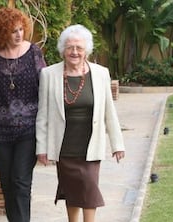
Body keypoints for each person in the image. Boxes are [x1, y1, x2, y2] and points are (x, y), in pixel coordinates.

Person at [35, 24, 125, 222]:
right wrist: (41, 148)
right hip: (64, 146)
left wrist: (117, 144)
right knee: (72, 190)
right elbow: (42, 115)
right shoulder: (49, 74)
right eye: (70, 47)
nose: (74, 52)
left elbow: (110, 111)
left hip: (91, 144)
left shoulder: (101, 73)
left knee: (89, 185)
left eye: (79, 48)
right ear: (63, 50)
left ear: (86, 51)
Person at [0, 7, 46, 222]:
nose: (18, 35)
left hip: (28, 129)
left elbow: (46, 87)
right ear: (2, 33)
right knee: (7, 182)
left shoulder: (34, 53)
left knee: (20, 180)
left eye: (20, 30)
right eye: (13, 31)